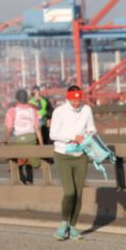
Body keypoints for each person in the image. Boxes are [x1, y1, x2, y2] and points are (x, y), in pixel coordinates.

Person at [49, 85, 96, 241]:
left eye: (79, 99)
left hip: (81, 154)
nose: (76, 103)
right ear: (67, 98)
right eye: (73, 100)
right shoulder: (59, 112)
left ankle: (73, 226)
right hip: (62, 154)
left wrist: (89, 134)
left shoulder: (86, 110)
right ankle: (64, 223)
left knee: (78, 193)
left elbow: (92, 128)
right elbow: (53, 134)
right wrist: (73, 136)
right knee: (69, 192)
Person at [4, 89, 44, 185]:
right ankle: (30, 180)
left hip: (18, 140)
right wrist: (41, 144)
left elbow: (9, 129)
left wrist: (5, 140)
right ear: (27, 99)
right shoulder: (32, 110)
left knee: (14, 158)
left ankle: (18, 175)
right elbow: (37, 129)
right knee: (30, 160)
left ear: (16, 100)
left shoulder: (12, 111)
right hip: (32, 139)